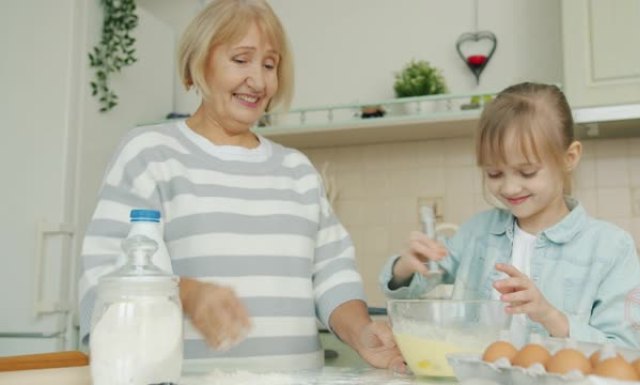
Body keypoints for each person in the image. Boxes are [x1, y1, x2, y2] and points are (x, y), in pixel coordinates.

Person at [79, 0, 404, 372]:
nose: (260, 80)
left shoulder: (297, 170)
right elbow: (105, 278)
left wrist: (362, 332)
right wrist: (185, 293)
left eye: (270, 64)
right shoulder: (150, 153)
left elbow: (333, 276)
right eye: (241, 59)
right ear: (197, 64)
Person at [379, 82, 640, 349]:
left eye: (527, 172)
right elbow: (416, 286)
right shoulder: (476, 233)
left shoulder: (611, 248)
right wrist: (405, 268)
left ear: (569, 157)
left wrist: (550, 316)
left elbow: (623, 351)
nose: (508, 188)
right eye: (494, 173)